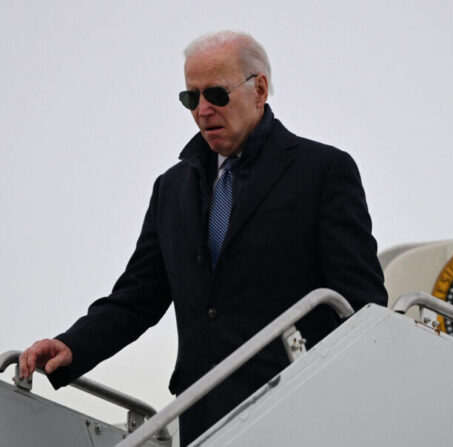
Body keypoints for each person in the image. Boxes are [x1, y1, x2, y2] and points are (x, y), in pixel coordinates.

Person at [18, 31, 387, 445]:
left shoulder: (322, 171)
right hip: (202, 417)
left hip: (299, 412)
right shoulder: (172, 188)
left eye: (215, 93)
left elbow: (361, 302)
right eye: (191, 98)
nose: (203, 110)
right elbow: (139, 296)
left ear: (259, 89)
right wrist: (73, 346)